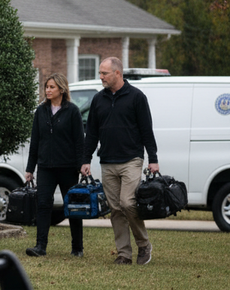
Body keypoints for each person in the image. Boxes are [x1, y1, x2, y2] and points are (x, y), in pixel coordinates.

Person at [81, 57, 159, 265]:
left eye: (104, 73)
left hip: (131, 159)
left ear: (117, 73)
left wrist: (153, 159)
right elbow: (92, 133)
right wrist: (86, 159)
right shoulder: (98, 99)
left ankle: (144, 245)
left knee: (128, 202)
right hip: (107, 160)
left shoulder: (136, 97)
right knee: (115, 208)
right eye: (100, 73)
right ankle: (124, 253)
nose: (101, 77)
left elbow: (146, 130)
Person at [24, 73, 86, 257]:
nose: (48, 90)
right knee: (43, 205)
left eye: (52, 87)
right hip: (45, 168)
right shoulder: (40, 111)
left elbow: (79, 142)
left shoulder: (73, 111)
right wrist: (30, 168)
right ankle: (40, 247)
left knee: (73, 207)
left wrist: (82, 164)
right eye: (46, 87)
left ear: (61, 89)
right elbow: (35, 142)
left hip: (68, 168)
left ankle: (77, 248)